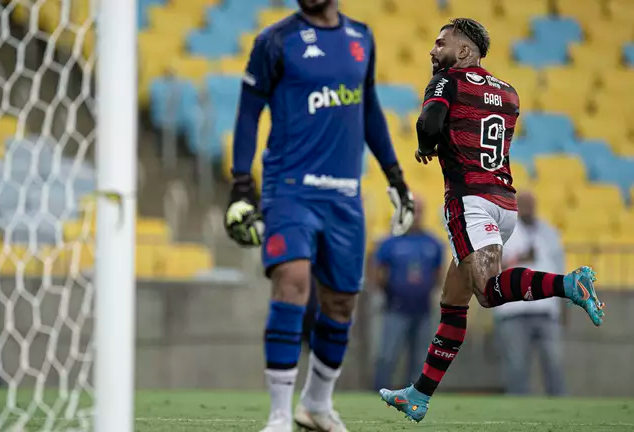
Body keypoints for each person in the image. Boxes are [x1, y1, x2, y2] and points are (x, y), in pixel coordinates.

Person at [379, 18, 604, 423]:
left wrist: (425, 146)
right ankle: (419, 395)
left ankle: (568, 284)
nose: (433, 51)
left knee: (486, 291)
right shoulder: (510, 93)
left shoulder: (448, 81)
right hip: (504, 204)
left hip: (470, 201)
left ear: (465, 51)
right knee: (453, 303)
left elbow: (429, 122)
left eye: (441, 43)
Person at [223, 1, 415, 431]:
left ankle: (316, 404)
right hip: (290, 189)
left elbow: (369, 111)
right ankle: (277, 414)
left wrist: (395, 176)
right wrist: (241, 183)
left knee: (342, 302)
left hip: (345, 195)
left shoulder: (362, 38)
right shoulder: (274, 42)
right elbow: (249, 112)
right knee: (292, 282)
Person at [494, 191, 567, 396]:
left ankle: (561, 406)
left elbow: (559, 267)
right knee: (516, 365)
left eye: (530, 203)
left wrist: (565, 303)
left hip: (546, 308)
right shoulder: (502, 231)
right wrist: (521, 257)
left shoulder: (549, 232)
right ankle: (517, 409)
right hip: (513, 310)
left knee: (554, 362)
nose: (527, 207)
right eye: (522, 204)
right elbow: (492, 267)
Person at [371, 195, 444, 391]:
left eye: (419, 210)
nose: (416, 215)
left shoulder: (433, 243)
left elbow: (438, 274)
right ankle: (378, 392)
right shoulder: (390, 242)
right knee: (388, 355)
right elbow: (378, 272)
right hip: (395, 308)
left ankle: (411, 397)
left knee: (419, 357)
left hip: (423, 309)